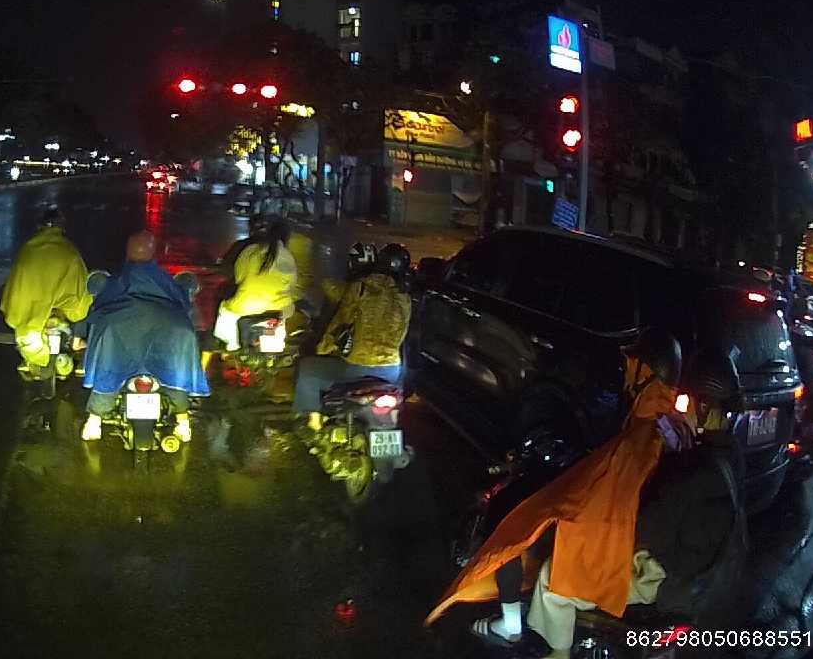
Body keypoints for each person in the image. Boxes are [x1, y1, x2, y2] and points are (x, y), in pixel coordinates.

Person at [426, 328, 697, 657]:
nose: (626, 371)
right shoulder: (671, 424)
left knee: (553, 579)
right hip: (660, 553)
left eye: (632, 365)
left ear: (645, 373)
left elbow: (602, 509)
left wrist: (554, 510)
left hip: (637, 563)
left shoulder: (639, 440)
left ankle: (554, 649)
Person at [79, 231, 210, 442]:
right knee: (175, 373)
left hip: (120, 334)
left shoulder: (118, 280)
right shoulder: (163, 279)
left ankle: (94, 422)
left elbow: (99, 305)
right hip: (170, 333)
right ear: (153, 253)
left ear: (127, 252)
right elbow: (183, 303)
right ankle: (183, 423)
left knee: (109, 370)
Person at [294, 243, 412, 431]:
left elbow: (341, 321)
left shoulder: (362, 287)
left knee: (308, 368)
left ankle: (313, 425)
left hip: (358, 366)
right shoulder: (404, 296)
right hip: (392, 370)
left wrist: (324, 347)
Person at [0, 207, 93, 376]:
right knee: (85, 300)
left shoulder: (29, 249)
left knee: (18, 308)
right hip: (64, 308)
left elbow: (16, 282)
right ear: (62, 228)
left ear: (40, 227)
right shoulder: (69, 250)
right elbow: (81, 284)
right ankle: (77, 341)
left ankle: (30, 356)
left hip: (33, 311)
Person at [212, 218, 298, 352]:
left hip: (245, 305)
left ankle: (232, 346)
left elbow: (239, 277)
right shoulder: (288, 256)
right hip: (279, 309)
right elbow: (291, 286)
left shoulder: (250, 250)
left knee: (225, 310)